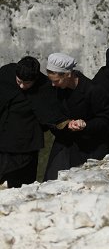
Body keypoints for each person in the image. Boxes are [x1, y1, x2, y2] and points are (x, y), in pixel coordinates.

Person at [44, 52, 109, 181]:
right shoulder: (55, 89)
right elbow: (51, 115)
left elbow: (105, 119)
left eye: (56, 81)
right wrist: (66, 124)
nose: (53, 84)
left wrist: (85, 125)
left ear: (68, 75)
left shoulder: (93, 90)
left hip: (89, 148)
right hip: (63, 146)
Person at [0, 57, 66, 187]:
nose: (22, 86)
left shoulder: (44, 88)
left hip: (26, 144)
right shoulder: (5, 74)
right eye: (19, 81)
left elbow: (50, 115)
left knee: (22, 184)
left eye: (27, 83)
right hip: (2, 141)